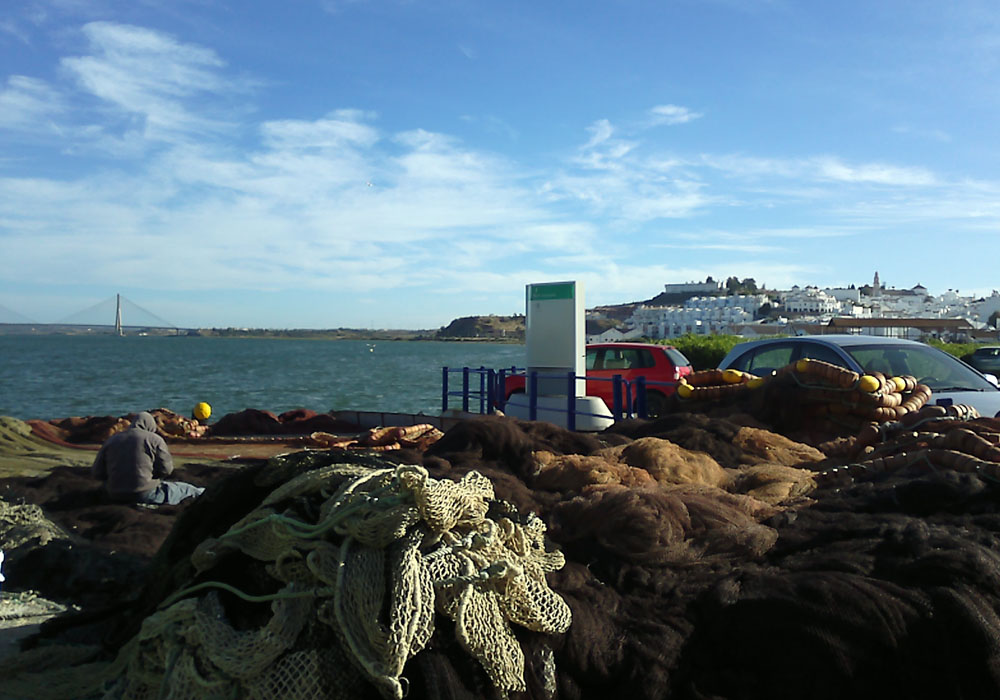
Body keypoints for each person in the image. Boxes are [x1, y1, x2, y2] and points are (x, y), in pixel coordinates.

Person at [92, 412, 205, 505]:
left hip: (114, 494)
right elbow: (166, 469)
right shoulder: (154, 439)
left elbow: (97, 472)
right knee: (188, 490)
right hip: (145, 493)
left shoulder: (112, 440)